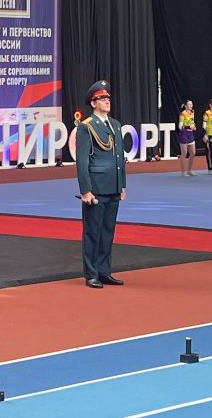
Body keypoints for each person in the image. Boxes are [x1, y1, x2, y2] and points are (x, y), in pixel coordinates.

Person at [76, 80, 127, 288]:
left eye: (108, 98)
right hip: (96, 187)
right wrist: (85, 190)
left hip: (113, 186)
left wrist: (122, 184)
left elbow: (119, 157)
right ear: (93, 103)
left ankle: (104, 271)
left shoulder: (115, 124)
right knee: (93, 232)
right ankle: (91, 273)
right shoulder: (86, 127)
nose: (107, 101)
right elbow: (82, 161)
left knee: (108, 232)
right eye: (102, 98)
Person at [177, 100, 196, 176]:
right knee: (184, 153)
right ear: (185, 106)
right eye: (189, 104)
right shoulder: (182, 114)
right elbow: (180, 126)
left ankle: (189, 170)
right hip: (184, 134)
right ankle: (183, 171)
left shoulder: (192, 112)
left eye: (191, 104)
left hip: (190, 134)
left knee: (193, 153)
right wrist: (188, 126)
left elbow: (192, 122)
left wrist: (194, 126)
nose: (191, 106)